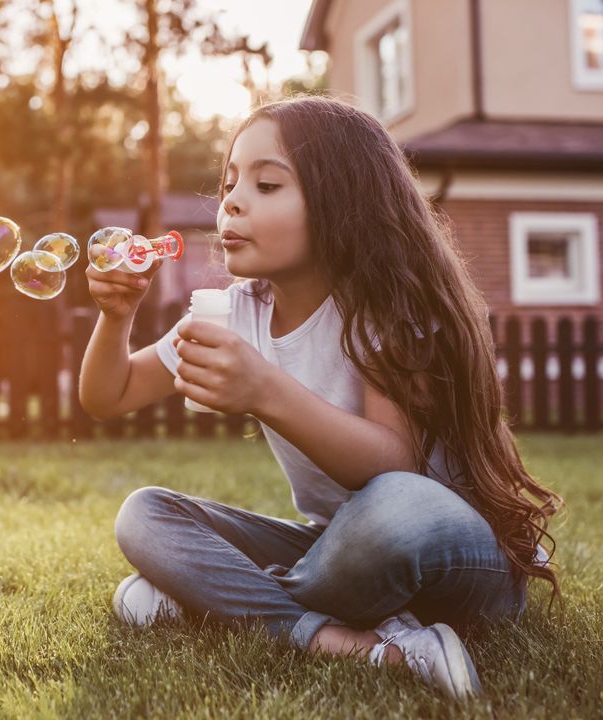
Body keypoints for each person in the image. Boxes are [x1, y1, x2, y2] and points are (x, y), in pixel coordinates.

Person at [77, 96, 561, 700]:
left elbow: (395, 468)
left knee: (392, 509)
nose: (230, 200)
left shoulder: (386, 308)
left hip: (451, 556)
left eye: (267, 183)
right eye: (229, 183)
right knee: (145, 515)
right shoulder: (237, 313)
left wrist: (265, 390)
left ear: (343, 201)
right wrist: (117, 317)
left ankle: (214, 599)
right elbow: (109, 394)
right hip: (336, 554)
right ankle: (352, 642)